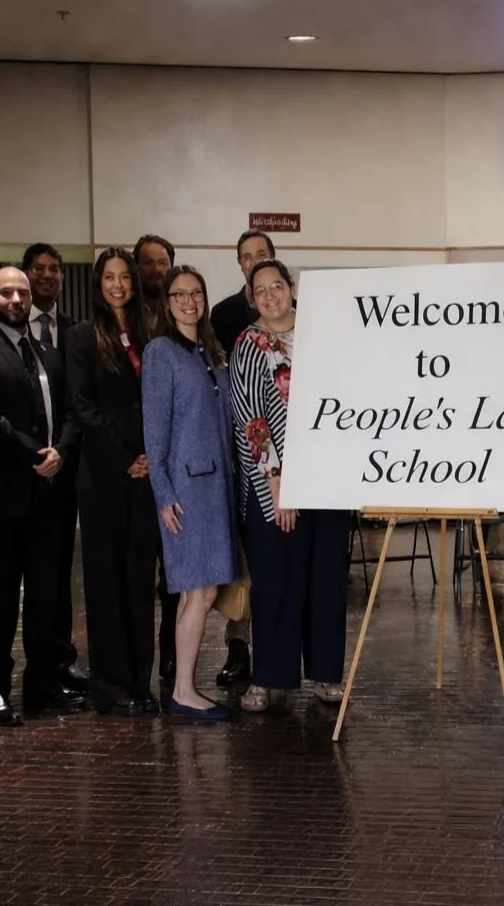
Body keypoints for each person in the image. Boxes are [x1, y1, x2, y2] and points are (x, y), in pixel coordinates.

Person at [0, 267, 84, 725]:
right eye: (6, 292)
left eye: (22, 293)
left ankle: (41, 683)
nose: (16, 299)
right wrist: (38, 455)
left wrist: (61, 450)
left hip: (50, 491)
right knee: (2, 592)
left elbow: (70, 411)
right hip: (3, 493)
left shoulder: (48, 353)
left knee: (46, 593)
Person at [230, 259, 351, 711]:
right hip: (275, 483)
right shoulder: (248, 344)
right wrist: (278, 483)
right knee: (277, 580)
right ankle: (266, 677)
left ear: (292, 288)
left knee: (327, 579)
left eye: (276, 286)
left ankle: (326, 674)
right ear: (251, 297)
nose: (270, 296)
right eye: (260, 289)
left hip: (329, 477)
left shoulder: (323, 334)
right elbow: (251, 418)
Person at [65, 249, 160, 716]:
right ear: (98, 284)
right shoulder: (82, 336)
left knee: (140, 580)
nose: (118, 285)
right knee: (106, 582)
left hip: (147, 473)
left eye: (125, 276)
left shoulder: (150, 332)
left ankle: (140, 680)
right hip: (104, 474)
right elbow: (82, 406)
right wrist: (125, 459)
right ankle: (110, 685)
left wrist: (151, 457)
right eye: (109, 277)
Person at [142, 266, 239, 720]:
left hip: (219, 487)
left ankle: (184, 687)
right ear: (167, 303)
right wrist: (163, 492)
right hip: (186, 490)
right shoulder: (160, 353)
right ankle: (183, 690)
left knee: (199, 591)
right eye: (179, 294)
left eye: (196, 293)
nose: (188, 301)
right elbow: (154, 430)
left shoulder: (211, 350)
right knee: (198, 590)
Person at [207, 229, 277, 687]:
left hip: (285, 457)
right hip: (240, 448)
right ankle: (238, 646)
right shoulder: (224, 314)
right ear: (239, 265)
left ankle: (278, 650)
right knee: (244, 558)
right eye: (247, 257)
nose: (254, 262)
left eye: (261, 255)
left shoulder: (295, 311)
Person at [132, 234, 179, 683]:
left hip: (171, 462)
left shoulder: (179, 317)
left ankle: (170, 654)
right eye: (148, 263)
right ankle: (137, 659)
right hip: (133, 463)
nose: (156, 270)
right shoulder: (124, 318)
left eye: (163, 262)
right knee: (140, 569)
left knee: (174, 574)